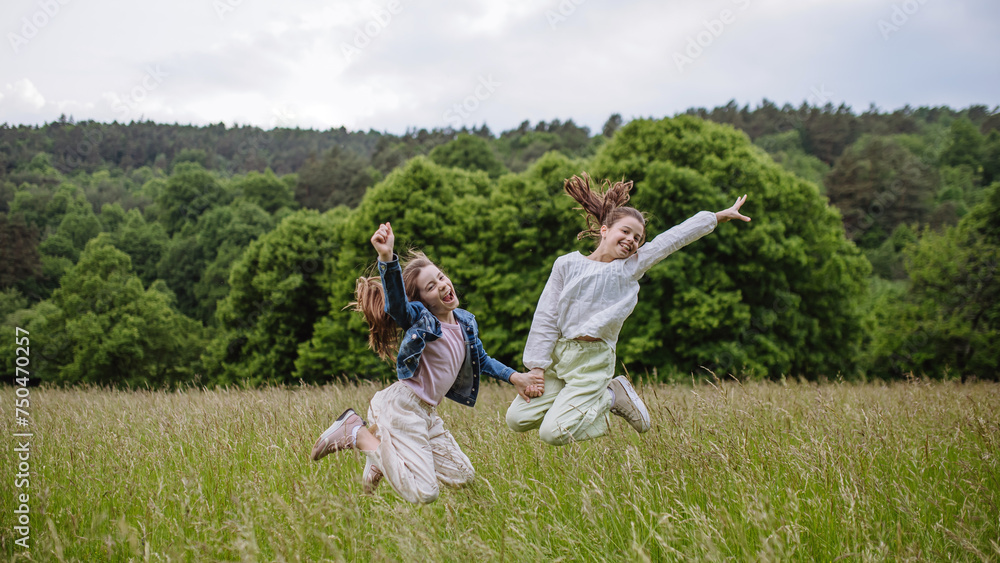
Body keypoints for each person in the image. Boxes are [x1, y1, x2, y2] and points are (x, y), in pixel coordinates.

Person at [506, 173, 750, 445]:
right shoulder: (566, 264)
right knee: (517, 419)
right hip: (560, 358)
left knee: (552, 434)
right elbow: (546, 316)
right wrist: (537, 368)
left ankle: (610, 396)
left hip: (593, 363)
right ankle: (588, 401)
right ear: (604, 230)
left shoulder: (629, 268)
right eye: (626, 231)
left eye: (638, 238)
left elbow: (672, 239)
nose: (632, 240)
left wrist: (716, 217)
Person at [310, 222, 544, 504]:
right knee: (425, 492)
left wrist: (515, 377)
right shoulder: (422, 320)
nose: (442, 285)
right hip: (403, 406)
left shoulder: (465, 323)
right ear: (423, 301)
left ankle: (380, 454)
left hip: (426, 413)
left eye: (441, 277)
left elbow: (481, 359)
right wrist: (387, 257)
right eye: (431, 287)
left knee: (463, 475)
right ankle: (356, 433)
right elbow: (397, 306)